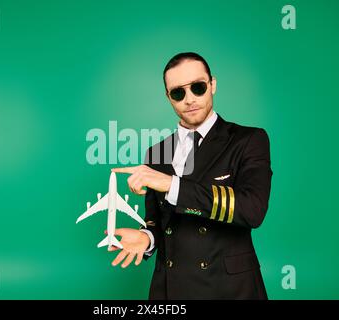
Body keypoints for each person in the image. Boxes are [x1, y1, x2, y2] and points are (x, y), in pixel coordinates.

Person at [111, 52, 272, 300]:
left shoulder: (248, 140)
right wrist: (146, 238)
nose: (189, 100)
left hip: (229, 288)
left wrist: (172, 185)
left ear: (212, 85)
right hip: (170, 289)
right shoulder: (157, 153)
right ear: (168, 98)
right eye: (178, 92)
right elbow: (158, 221)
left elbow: (252, 210)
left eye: (198, 87)